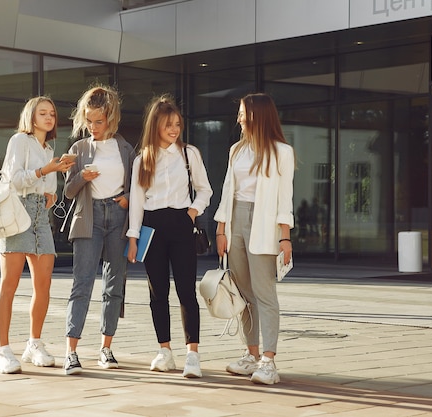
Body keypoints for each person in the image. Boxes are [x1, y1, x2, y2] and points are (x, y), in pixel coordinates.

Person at [126, 94, 212, 378]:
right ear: (156, 126)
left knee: (186, 290)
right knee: (157, 292)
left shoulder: (190, 154)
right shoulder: (142, 160)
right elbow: (137, 202)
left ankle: (193, 354)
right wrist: (133, 237)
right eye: (168, 125)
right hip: (152, 226)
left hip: (181, 223)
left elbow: (205, 190)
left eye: (177, 124)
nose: (174, 129)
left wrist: (191, 212)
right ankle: (165, 351)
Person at [214, 93, 294, 385]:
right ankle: (251, 355)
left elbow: (285, 200)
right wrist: (221, 229)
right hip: (236, 221)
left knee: (264, 293)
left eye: (243, 114)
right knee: (244, 293)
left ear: (258, 116)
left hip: (264, 224)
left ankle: (269, 361)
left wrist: (285, 238)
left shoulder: (281, 152)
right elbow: (227, 191)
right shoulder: (236, 150)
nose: (239, 119)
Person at [0, 96, 75, 374]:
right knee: (9, 285)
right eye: (43, 113)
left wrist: (51, 189)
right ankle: (3, 351)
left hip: (41, 215)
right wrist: (47, 170)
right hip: (18, 212)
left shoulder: (48, 146)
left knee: (43, 286)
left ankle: (33, 344)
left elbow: (45, 183)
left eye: (52, 113)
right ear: (31, 116)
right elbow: (14, 179)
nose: (49, 117)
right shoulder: (19, 141)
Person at [62, 85, 135, 375]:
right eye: (89, 120)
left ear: (112, 119)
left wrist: (128, 198)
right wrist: (81, 175)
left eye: (99, 121)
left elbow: (135, 187)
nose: (93, 126)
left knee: (114, 285)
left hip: (118, 216)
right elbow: (68, 191)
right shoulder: (78, 149)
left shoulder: (126, 149)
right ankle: (71, 352)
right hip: (89, 217)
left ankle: (106, 348)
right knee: (82, 284)